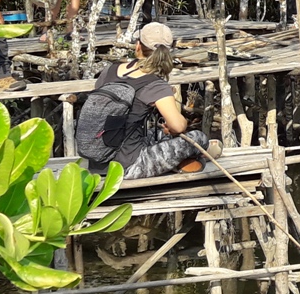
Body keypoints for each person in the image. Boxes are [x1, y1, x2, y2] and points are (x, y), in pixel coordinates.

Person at [90, 22, 221, 179]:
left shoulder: (110, 70)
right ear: (168, 51)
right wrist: (177, 126)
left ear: (138, 45)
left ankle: (187, 159)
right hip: (128, 167)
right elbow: (178, 126)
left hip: (98, 160)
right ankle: (201, 154)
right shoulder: (154, 84)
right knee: (198, 138)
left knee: (158, 134)